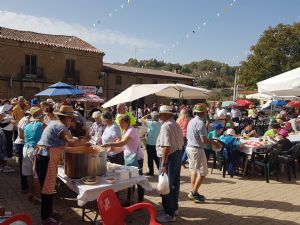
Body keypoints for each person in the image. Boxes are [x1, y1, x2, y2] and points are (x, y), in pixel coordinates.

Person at [35, 105, 90, 225]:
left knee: (49, 189)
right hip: (46, 159)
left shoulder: (55, 123)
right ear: (66, 118)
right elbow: (71, 142)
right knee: (46, 190)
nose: (72, 121)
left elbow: (67, 143)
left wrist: (81, 142)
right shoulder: (61, 127)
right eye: (71, 119)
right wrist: (85, 141)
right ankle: (46, 219)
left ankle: (49, 213)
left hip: (46, 158)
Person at [102, 114, 144, 203]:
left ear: (126, 122)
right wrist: (111, 149)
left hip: (137, 158)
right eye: (120, 123)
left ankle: (140, 201)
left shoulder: (131, 130)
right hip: (129, 158)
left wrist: (109, 144)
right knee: (129, 180)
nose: (120, 125)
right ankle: (129, 200)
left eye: (121, 123)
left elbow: (123, 142)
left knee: (138, 180)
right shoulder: (125, 130)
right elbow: (123, 146)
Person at [186, 104, 221, 204]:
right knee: (203, 172)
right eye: (205, 112)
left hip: (189, 148)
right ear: (202, 113)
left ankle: (194, 192)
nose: (206, 114)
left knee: (193, 171)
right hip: (197, 149)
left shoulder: (191, 121)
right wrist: (215, 143)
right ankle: (193, 192)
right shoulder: (200, 123)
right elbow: (204, 140)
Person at [155, 105, 183, 223]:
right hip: (176, 155)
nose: (159, 117)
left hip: (170, 158)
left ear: (166, 115)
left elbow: (166, 147)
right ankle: (174, 209)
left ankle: (169, 213)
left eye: (161, 114)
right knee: (174, 185)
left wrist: (164, 164)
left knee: (165, 186)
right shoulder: (175, 124)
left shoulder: (166, 126)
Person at [23, 107, 45, 204]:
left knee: (29, 174)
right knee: (36, 175)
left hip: (25, 149)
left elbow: (24, 138)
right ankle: (37, 198)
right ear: (41, 117)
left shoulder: (27, 126)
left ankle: (31, 193)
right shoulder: (42, 125)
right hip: (35, 150)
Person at [13, 110, 31, 192]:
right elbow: (21, 135)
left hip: (23, 144)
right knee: (24, 167)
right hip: (21, 144)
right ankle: (24, 187)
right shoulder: (25, 120)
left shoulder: (26, 120)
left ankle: (26, 187)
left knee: (25, 167)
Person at [140, 111, 161, 176]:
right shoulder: (160, 123)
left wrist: (147, 114)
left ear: (152, 117)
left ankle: (151, 172)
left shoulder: (150, 123)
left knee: (150, 159)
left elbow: (141, 119)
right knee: (157, 159)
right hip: (157, 144)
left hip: (150, 144)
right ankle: (160, 171)